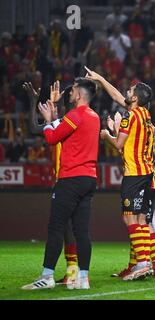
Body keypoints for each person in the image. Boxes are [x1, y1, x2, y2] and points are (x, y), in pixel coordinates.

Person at [85, 67, 155, 280]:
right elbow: (118, 96)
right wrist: (101, 79)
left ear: (135, 97)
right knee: (140, 220)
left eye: (130, 90)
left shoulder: (130, 116)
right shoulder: (145, 114)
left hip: (134, 174)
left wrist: (108, 134)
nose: (127, 92)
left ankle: (143, 263)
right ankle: (145, 263)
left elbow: (119, 145)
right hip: (147, 174)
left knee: (130, 219)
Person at [22, 78, 99, 290]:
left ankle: (47, 276)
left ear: (80, 95)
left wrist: (48, 119)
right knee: (81, 231)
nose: (70, 92)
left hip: (70, 179)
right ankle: (83, 278)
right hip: (89, 178)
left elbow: (52, 138)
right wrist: (54, 115)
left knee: (56, 227)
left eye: (73, 90)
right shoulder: (94, 117)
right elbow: (66, 132)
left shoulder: (76, 115)